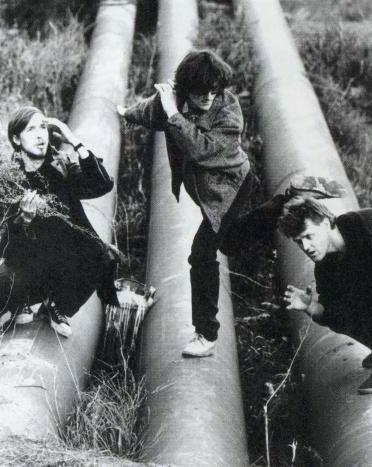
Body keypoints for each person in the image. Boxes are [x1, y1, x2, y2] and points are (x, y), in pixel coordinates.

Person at [118, 49, 255, 357]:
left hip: (231, 190)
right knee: (231, 241)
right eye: (200, 91)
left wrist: (173, 113)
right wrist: (128, 114)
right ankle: (277, 211)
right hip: (209, 194)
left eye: (213, 90)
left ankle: (206, 334)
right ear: (186, 88)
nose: (207, 97)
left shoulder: (228, 112)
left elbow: (200, 150)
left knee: (202, 255)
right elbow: (151, 110)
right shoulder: (175, 100)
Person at [0, 105, 119, 337]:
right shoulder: (8, 179)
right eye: (31, 130)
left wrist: (75, 142)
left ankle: (56, 305)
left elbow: (102, 185)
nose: (40, 135)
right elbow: (3, 241)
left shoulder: (61, 166)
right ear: (16, 139)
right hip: (25, 261)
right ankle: (22, 301)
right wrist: (24, 220)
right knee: (4, 279)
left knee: (102, 257)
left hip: (61, 260)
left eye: (43, 127)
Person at [280, 197, 372, 394]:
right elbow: (335, 317)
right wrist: (310, 307)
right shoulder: (325, 269)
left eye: (309, 236)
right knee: (342, 309)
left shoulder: (369, 224)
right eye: (299, 241)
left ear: (325, 223)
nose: (306, 247)